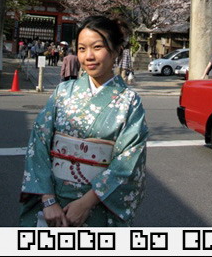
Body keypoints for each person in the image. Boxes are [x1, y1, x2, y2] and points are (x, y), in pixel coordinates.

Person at [19, 15, 149, 227]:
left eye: (97, 47)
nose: (88, 56)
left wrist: (85, 204)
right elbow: (38, 144)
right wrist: (48, 199)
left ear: (116, 51)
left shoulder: (129, 102)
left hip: (98, 204)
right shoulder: (63, 92)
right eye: (81, 48)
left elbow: (128, 161)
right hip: (53, 202)